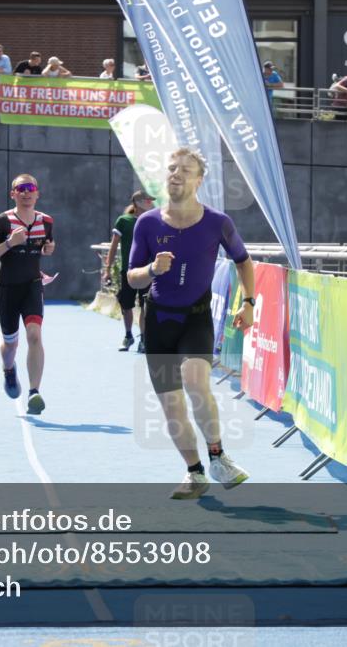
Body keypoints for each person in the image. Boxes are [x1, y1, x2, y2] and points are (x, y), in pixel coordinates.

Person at [127, 148, 255, 500]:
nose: (176, 173)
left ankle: (218, 456)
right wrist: (152, 269)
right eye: (172, 168)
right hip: (158, 321)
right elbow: (133, 278)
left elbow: (243, 261)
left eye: (185, 169)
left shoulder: (218, 222)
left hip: (196, 317)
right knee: (172, 405)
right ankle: (195, 472)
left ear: (199, 180)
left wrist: (249, 303)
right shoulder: (147, 223)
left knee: (196, 381)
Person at [0, 174, 56, 415]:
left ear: (37, 193)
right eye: (21, 188)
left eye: (31, 188)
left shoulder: (46, 221)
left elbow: (47, 245)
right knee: (11, 344)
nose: (26, 192)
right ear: (13, 194)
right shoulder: (3, 221)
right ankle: (9, 369)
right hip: (7, 288)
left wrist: (49, 249)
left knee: (34, 335)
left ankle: (34, 392)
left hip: (32, 285)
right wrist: (9, 243)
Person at [104, 190, 155, 352]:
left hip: (147, 272)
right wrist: (107, 269)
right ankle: (128, 336)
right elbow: (113, 247)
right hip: (128, 271)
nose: (150, 203)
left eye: (151, 200)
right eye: (147, 200)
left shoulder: (153, 220)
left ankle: (144, 339)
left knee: (145, 306)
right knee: (126, 306)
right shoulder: (123, 221)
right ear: (137, 203)